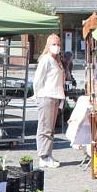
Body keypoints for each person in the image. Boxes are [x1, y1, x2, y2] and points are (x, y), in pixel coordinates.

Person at [33, 34, 65, 169]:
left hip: (55, 96)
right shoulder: (45, 60)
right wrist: (38, 95)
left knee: (50, 129)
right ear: (48, 45)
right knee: (44, 128)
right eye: (54, 44)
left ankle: (48, 154)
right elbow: (37, 79)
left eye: (58, 44)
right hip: (46, 96)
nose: (56, 47)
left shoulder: (57, 61)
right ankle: (43, 156)